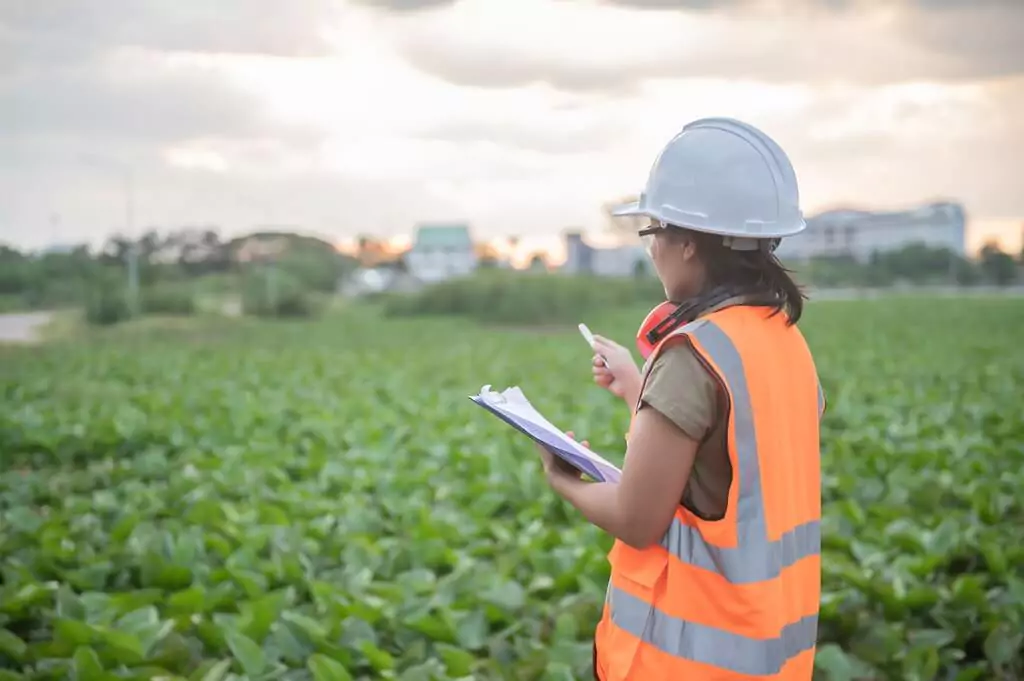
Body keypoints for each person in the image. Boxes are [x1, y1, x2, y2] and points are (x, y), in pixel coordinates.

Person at [536, 117, 825, 681]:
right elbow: (721, 471)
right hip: (771, 656)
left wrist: (561, 478)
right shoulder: (780, 338)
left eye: (652, 235)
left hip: (680, 662)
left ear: (688, 243)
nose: (652, 252)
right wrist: (640, 390)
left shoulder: (692, 356)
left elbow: (638, 518)